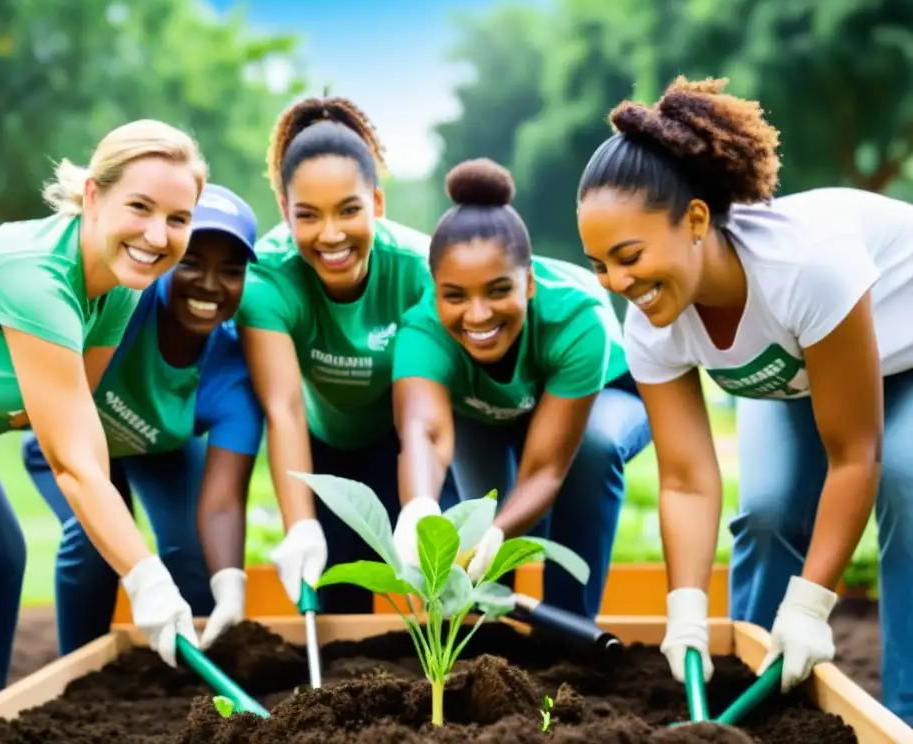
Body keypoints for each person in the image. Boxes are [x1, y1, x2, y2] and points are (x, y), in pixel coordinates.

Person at [575, 75, 913, 723]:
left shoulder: (805, 268)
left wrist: (813, 605)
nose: (620, 283)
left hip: (902, 346)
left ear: (696, 220)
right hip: (799, 367)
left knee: (905, 478)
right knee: (765, 509)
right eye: (600, 265)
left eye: (629, 255)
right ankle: (754, 701)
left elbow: (854, 455)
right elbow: (686, 479)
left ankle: (905, 709)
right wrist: (685, 611)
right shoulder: (650, 319)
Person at [0, 119, 209, 729]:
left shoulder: (120, 286)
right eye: (138, 207)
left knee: (5, 551)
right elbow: (72, 463)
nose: (156, 234)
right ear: (92, 196)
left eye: (177, 218)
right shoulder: (33, 275)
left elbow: (75, 413)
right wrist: (145, 573)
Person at [391, 158, 652, 617]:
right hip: (487, 409)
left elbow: (546, 470)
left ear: (528, 284)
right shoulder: (421, 331)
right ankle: (486, 638)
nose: (477, 315)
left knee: (589, 452)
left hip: (605, 395)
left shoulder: (575, 318)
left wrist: (501, 533)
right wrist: (418, 507)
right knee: (478, 515)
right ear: (434, 291)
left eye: (497, 291)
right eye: (455, 296)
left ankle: (570, 625)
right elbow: (424, 436)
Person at [234, 95, 459, 614]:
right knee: (338, 610)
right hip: (322, 449)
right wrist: (301, 525)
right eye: (308, 216)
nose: (331, 234)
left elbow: (420, 408)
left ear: (377, 205)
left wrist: (420, 503)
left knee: (438, 602)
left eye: (349, 210)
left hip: (402, 440)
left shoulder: (418, 270)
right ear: (286, 213)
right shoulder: (266, 278)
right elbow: (284, 408)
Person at [20, 183, 265, 657]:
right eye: (191, 262)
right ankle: (80, 672)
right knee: (94, 542)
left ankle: (190, 672)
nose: (211, 284)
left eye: (231, 271)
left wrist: (230, 588)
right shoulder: (125, 305)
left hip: (159, 450)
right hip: (73, 443)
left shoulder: (233, 371)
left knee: (193, 550)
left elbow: (221, 504)